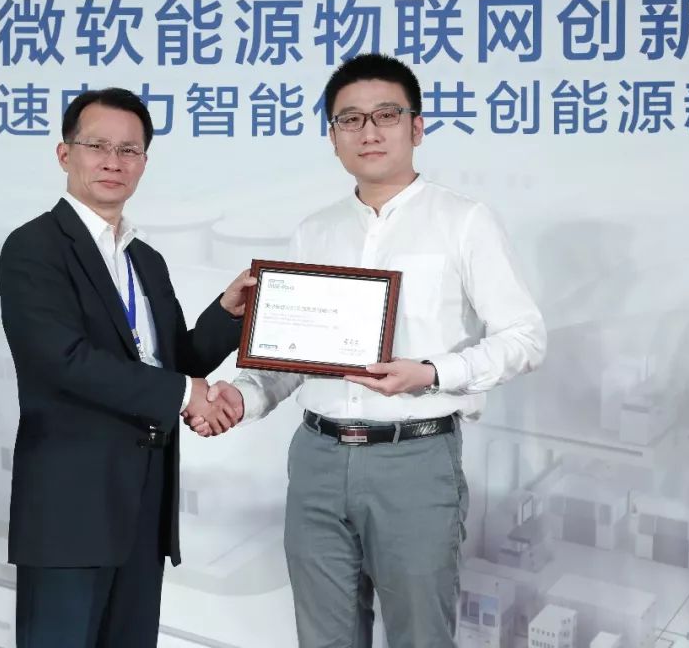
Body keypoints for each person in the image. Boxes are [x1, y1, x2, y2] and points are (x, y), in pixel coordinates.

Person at [193, 54, 547, 648]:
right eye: (350, 119)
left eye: (386, 114)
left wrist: (432, 372)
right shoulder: (314, 231)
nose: (369, 131)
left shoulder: (464, 221)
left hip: (415, 459)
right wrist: (243, 397)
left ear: (417, 126)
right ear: (333, 137)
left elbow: (525, 337)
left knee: (420, 637)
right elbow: (293, 359)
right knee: (323, 639)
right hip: (317, 459)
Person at [0, 87, 252, 648]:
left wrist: (228, 313)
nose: (113, 161)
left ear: (144, 162)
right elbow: (63, 361)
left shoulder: (145, 259)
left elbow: (171, 361)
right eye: (98, 146)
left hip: (145, 502)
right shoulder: (34, 247)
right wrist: (187, 394)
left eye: (129, 150)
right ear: (65, 154)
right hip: (70, 508)